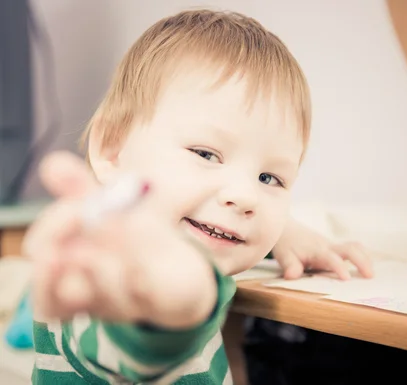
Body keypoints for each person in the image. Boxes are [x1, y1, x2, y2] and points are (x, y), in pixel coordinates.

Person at [23, 9, 373, 384]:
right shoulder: (99, 273)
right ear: (112, 149)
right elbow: (129, 345)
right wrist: (173, 308)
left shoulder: (204, 230)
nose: (244, 197)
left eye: (269, 178)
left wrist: (286, 233)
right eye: (206, 155)